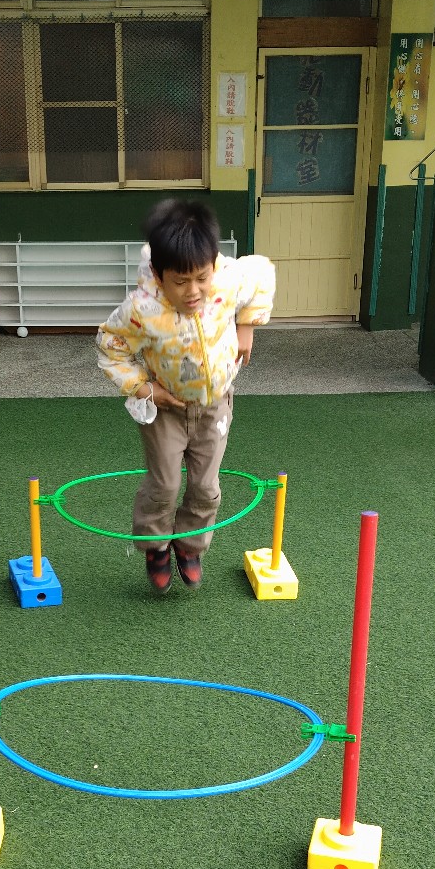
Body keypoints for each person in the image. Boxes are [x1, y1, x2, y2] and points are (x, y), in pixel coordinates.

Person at [96, 199, 275, 593]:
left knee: (206, 488)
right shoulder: (142, 309)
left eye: (201, 277)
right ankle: (156, 546)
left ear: (212, 265)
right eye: (180, 281)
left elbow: (262, 272)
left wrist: (247, 324)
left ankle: (190, 546)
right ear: (159, 276)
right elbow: (110, 348)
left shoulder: (227, 280)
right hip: (166, 410)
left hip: (215, 406)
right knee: (164, 486)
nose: (193, 291)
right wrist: (146, 389)